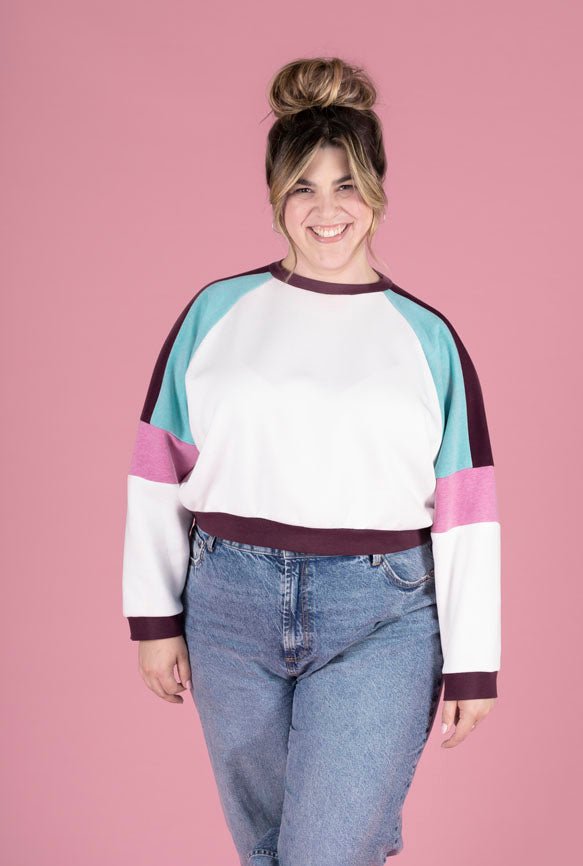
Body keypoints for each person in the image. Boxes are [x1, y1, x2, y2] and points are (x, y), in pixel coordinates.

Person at [122, 56, 501, 866]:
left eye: (347, 185)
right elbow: (157, 469)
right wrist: (154, 619)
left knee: (324, 853)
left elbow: (467, 512)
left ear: (378, 192)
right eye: (303, 187)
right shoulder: (217, 313)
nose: (327, 210)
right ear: (275, 197)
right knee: (268, 853)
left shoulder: (426, 338)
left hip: (381, 617)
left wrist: (474, 663)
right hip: (228, 608)